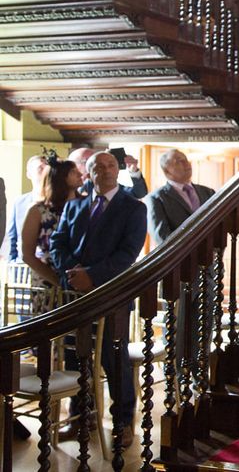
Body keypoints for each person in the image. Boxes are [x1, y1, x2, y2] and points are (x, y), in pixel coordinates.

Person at [50, 151, 147, 448]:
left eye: (110, 166)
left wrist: (92, 275)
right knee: (75, 357)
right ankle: (82, 418)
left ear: (118, 171)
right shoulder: (75, 204)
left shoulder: (133, 208)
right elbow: (58, 242)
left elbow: (127, 254)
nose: (105, 171)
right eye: (98, 167)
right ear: (88, 173)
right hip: (75, 297)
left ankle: (122, 422)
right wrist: (71, 275)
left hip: (112, 298)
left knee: (113, 359)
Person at [145, 149, 216, 368]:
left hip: (207, 272)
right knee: (178, 329)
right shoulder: (157, 198)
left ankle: (200, 373)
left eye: (186, 159)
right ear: (166, 169)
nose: (186, 164)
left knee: (204, 326)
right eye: (178, 161)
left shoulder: (208, 192)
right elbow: (162, 237)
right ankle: (176, 379)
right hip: (179, 273)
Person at [21, 153, 83, 293]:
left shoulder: (86, 206)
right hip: (48, 282)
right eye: (73, 172)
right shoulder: (38, 211)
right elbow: (27, 254)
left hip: (81, 281)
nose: (80, 174)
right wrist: (57, 280)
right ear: (61, 177)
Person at [2, 154, 47, 262]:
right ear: (29, 174)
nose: (45, 171)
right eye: (40, 168)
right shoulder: (20, 202)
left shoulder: (59, 201)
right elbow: (12, 235)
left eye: (47, 167)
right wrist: (12, 260)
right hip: (22, 265)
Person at [69, 147, 148, 199]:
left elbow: (139, 193)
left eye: (111, 165)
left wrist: (133, 170)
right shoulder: (68, 189)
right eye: (86, 161)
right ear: (74, 164)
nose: (106, 170)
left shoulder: (111, 186)